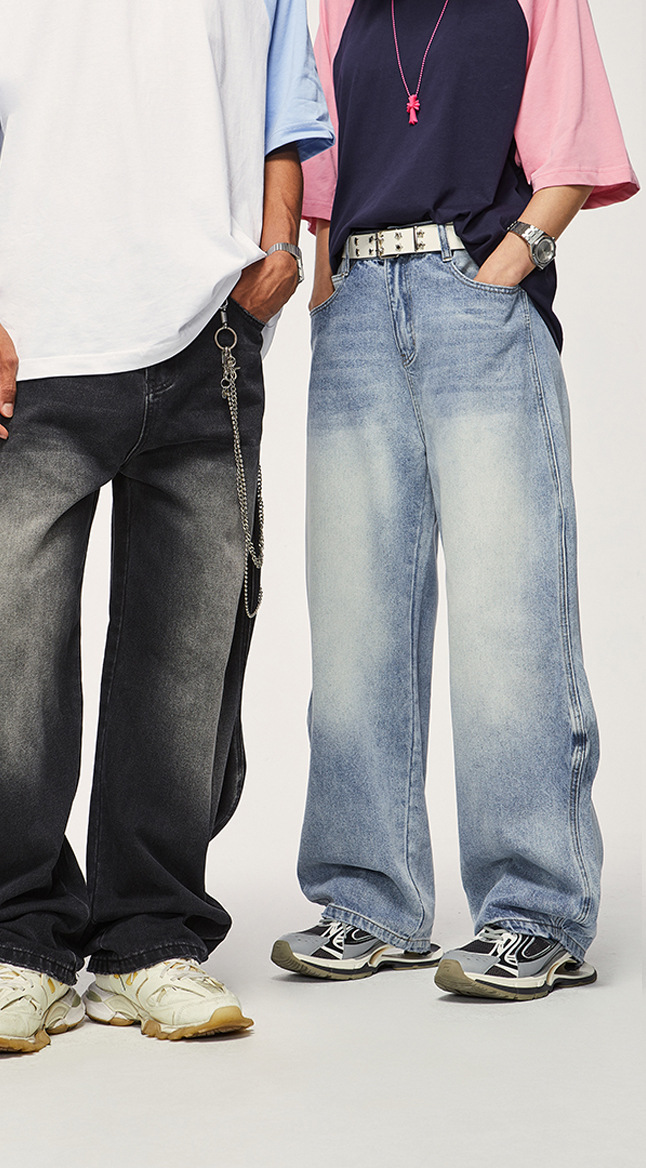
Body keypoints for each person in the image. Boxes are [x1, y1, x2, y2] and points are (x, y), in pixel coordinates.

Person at [0, 0, 332, 1052]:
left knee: (189, 660)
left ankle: (148, 940)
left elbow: (284, 112)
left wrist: (275, 250)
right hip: (41, 337)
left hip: (210, 338)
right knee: (13, 649)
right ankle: (19, 942)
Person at [272, 0, 638, 999]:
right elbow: (318, 177)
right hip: (355, 306)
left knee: (507, 619)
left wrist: (511, 261)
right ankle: (368, 902)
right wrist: (327, 290)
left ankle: (535, 912)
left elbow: (570, 153)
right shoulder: (338, 6)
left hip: (473, 297)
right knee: (355, 623)